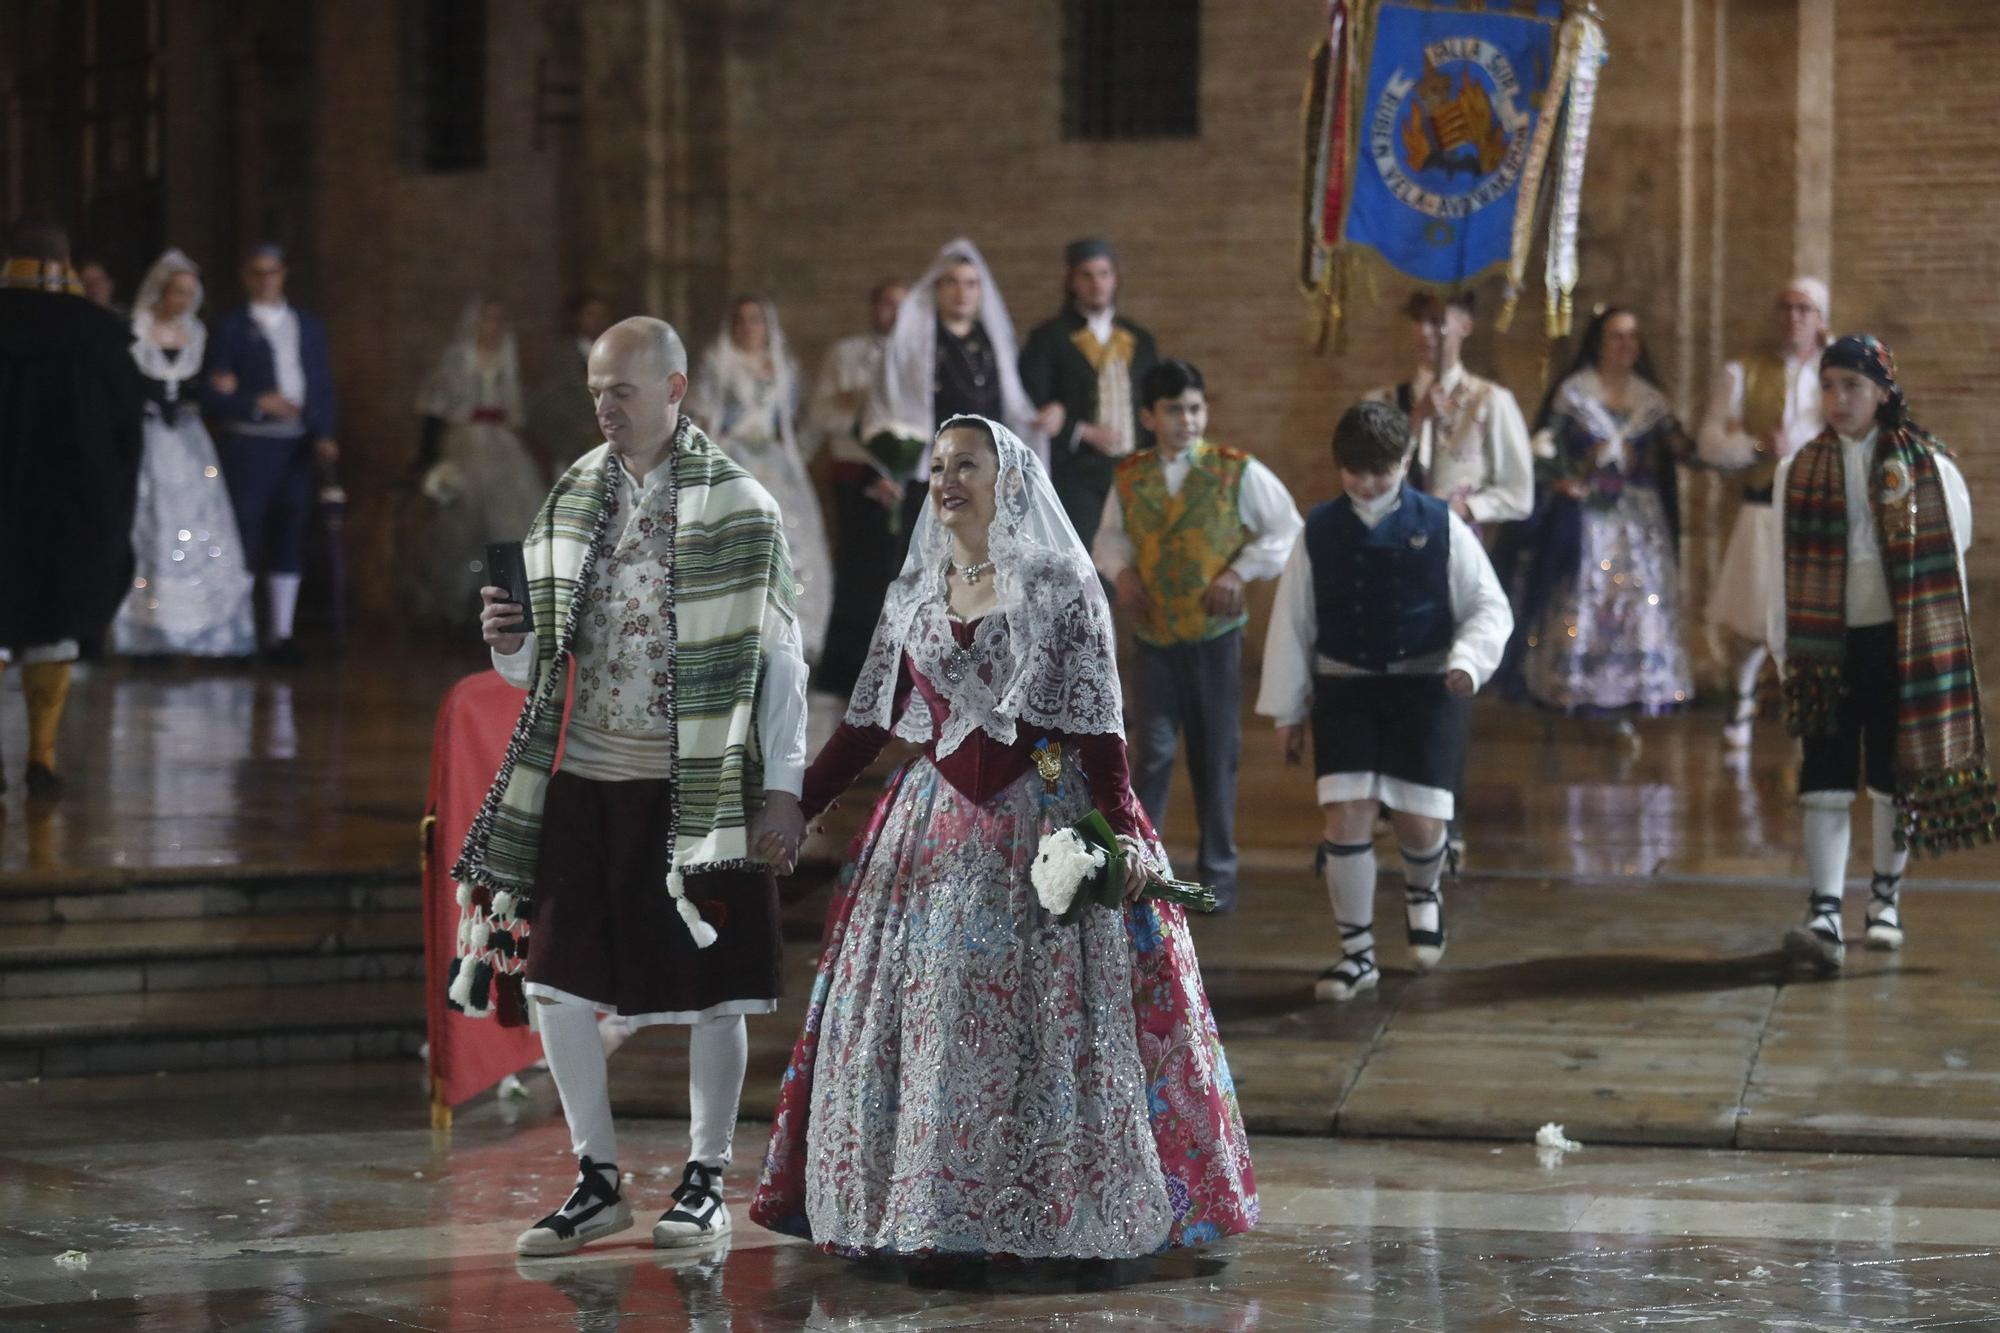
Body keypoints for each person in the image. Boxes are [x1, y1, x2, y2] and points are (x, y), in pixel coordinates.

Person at [750, 415, 1257, 1259]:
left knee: (1043, 1030)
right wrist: (797, 805)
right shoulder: (914, 587)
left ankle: (1045, 1208)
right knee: (935, 1022)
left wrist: (1126, 837)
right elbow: (870, 721)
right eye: (939, 465)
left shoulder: (1062, 583)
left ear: (1007, 477)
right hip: (934, 834)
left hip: (1042, 819)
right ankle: (931, 1209)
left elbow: (1099, 730)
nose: (948, 479)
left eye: (967, 465)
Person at [451, 317, 808, 1257]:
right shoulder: (569, 496)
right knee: (557, 979)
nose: (606, 407)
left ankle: (703, 1180)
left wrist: (784, 788)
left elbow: (781, 659)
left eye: (624, 391)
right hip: (588, 773)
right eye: (596, 391)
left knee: (713, 990)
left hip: (696, 780)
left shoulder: (743, 507)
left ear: (677, 389)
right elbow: (533, 667)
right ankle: (596, 1179)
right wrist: (507, 637)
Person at [1257, 402, 1512, 1001]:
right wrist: (1288, 711)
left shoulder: (1442, 524)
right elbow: (1293, 622)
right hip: (1345, 689)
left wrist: (1468, 662)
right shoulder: (1318, 530)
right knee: (1347, 814)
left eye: (1380, 471)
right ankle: (1356, 955)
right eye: (1354, 471)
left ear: (1405, 462)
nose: (1367, 484)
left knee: (1423, 824)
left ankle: (1425, 892)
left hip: (1427, 690)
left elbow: (1488, 606)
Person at [1772, 335, 1986, 973]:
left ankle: (1886, 901)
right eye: (1829, 386)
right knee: (1826, 771)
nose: (1839, 400)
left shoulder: (1930, 467)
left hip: (1901, 642)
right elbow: (1780, 570)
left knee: (1895, 774)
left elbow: (1956, 553)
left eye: (1853, 387)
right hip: (1827, 642)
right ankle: (1826, 910)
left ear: (1884, 393)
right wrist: (1786, 650)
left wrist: (1944, 649)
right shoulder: (1798, 469)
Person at [1092, 359, 1302, 913]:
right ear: (1148, 416)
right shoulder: (1130, 477)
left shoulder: (1236, 471)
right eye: (1174, 410)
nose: (1187, 420)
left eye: (1195, 408)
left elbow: (1286, 530)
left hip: (1215, 636)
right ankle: (1146, 869)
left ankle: (1218, 874)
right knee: (1153, 751)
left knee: (1216, 753)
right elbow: (1109, 539)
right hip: (1155, 637)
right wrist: (1123, 572)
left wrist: (1240, 572)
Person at [0, 218, 144, 796]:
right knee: (55, 624)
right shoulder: (101, 335)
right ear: (66, 259)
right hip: (74, 506)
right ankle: (42, 753)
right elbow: (126, 435)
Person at [1505, 307, 1694, 731]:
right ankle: (1575, 684)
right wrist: (1561, 479)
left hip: (1639, 517)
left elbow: (1678, 447)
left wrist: (1706, 443)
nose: (1625, 346)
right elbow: (1543, 448)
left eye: (1632, 337)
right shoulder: (1574, 394)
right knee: (1585, 593)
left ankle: (1643, 684)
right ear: (1598, 342)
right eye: (1616, 336)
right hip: (1588, 516)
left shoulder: (1650, 400)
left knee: (1642, 595)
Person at [1698, 278, 1830, 748]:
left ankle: (1809, 707)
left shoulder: (1836, 376)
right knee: (1752, 615)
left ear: (1820, 319)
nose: (1794, 317)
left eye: (1804, 309)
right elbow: (1709, 441)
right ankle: (1742, 699)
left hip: (1818, 512)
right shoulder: (1743, 372)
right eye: (1786, 307)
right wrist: (1755, 444)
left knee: (1813, 619)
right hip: (1761, 506)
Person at [109, 248, 257, 657]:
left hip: (188, 442)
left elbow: (210, 388)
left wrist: (214, 391)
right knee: (148, 523)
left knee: (196, 525)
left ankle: (197, 629)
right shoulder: (135, 330)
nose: (184, 302)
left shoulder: (198, 334)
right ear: (161, 292)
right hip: (147, 439)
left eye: (191, 294)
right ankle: (142, 628)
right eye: (177, 293)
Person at [202, 242, 338, 665]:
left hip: (295, 442)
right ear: (246, 276)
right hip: (251, 443)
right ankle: (237, 631)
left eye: (273, 272)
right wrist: (257, 401)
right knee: (245, 534)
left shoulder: (307, 325)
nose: (266, 280)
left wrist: (323, 431)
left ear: (283, 274)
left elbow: (320, 383)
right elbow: (214, 392)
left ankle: (282, 633)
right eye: (257, 272)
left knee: (290, 533)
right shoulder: (230, 327)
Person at [861, 237, 1049, 543]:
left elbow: (1013, 406)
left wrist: (1037, 422)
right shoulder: (913, 346)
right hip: (934, 475)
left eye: (971, 284)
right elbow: (886, 406)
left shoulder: (994, 344)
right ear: (937, 288)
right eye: (952, 282)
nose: (962, 292)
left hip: (990, 476)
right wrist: (889, 467)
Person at [687, 296, 833, 664]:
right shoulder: (719, 362)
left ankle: (789, 627)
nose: (748, 327)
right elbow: (704, 414)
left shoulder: (784, 367)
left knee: (793, 538)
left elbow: (792, 420)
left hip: (773, 458)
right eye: (741, 320)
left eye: (755, 320)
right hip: (733, 454)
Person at [411, 297, 547, 626]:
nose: (493, 327)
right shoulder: (459, 356)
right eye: (487, 319)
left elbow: (513, 406)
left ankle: (510, 601)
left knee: (512, 520)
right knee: (463, 524)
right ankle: (462, 602)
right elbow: (437, 403)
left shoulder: (506, 355)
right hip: (467, 440)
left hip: (500, 442)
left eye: (498, 320)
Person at [1019, 237, 1160, 547]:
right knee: (1085, 559)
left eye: (1104, 274)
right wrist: (1080, 430)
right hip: (1075, 472)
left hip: (1134, 471)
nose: (1097, 284)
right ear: (1072, 280)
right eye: (1087, 275)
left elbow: (1155, 401)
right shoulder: (1049, 338)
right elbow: (1030, 405)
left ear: (1115, 278)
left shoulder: (1139, 339)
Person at [806, 280, 907, 699]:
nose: (894, 314)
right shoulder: (845, 354)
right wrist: (854, 403)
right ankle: (848, 668)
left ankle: (898, 669)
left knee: (898, 572)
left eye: (902, 306)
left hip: (903, 476)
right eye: (886, 304)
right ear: (873, 307)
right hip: (855, 470)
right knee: (856, 572)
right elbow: (820, 414)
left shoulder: (921, 356)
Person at [1367, 290, 1533, 530]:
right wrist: (1415, 420)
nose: (1424, 331)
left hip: (1457, 541)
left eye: (1436, 321)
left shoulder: (1490, 401)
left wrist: (1465, 507)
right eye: (1418, 319)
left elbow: (1519, 494)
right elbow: (1367, 479)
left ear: (1465, 326)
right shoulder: (1383, 402)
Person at [526, 291, 613, 481]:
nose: (597, 321)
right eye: (591, 315)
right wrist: (584, 430)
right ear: (578, 318)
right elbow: (553, 400)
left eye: (601, 315)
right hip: (573, 444)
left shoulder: (615, 355)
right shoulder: (563, 356)